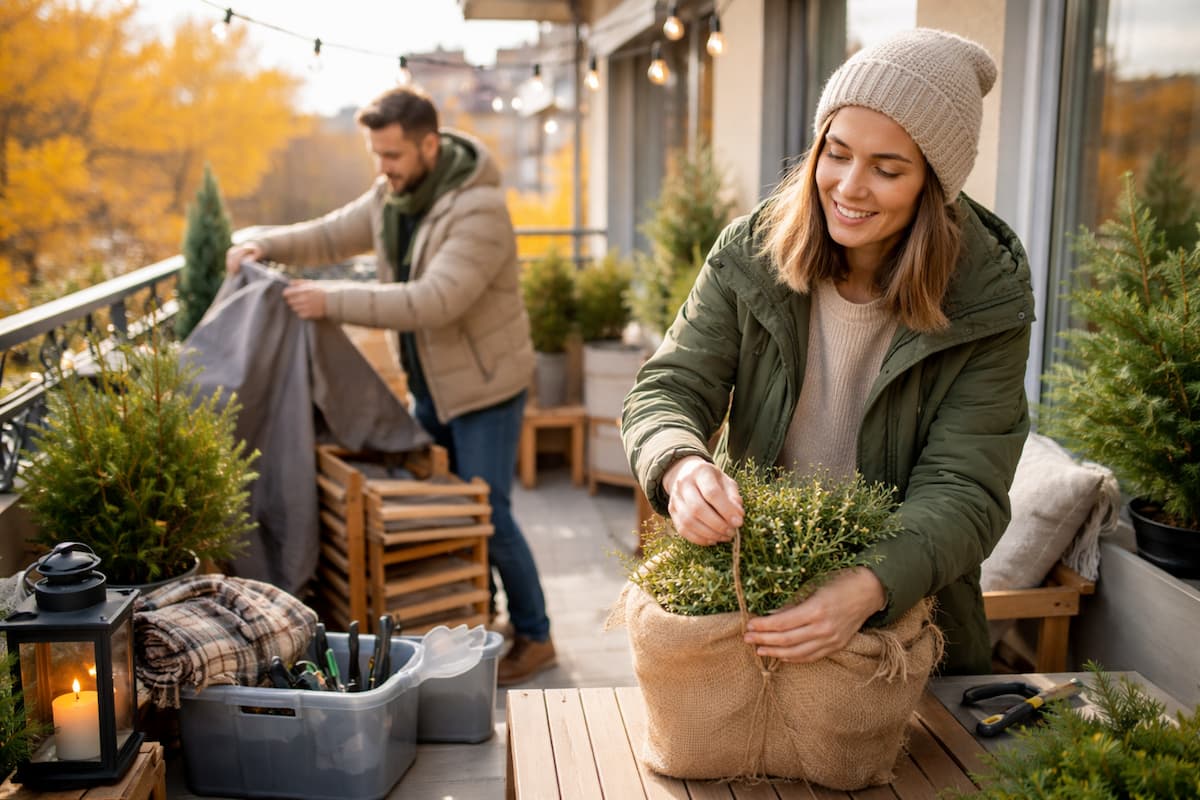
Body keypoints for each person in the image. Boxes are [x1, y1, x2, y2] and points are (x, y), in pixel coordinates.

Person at [621, 28, 1033, 674]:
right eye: (835, 154)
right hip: (750, 590)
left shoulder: (987, 298)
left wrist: (871, 583)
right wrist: (680, 464)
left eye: (887, 169)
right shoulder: (750, 252)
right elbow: (668, 387)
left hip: (909, 622)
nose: (848, 186)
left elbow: (966, 487)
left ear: (935, 183)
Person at [225, 86, 556, 685]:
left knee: (488, 511)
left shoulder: (479, 210)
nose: (383, 168)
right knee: (448, 510)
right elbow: (328, 236)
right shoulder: (391, 198)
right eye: (376, 155)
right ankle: (486, 621)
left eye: (393, 155)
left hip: (484, 389)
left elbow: (437, 300)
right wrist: (261, 241)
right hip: (430, 386)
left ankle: (536, 635)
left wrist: (331, 301)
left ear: (429, 145)